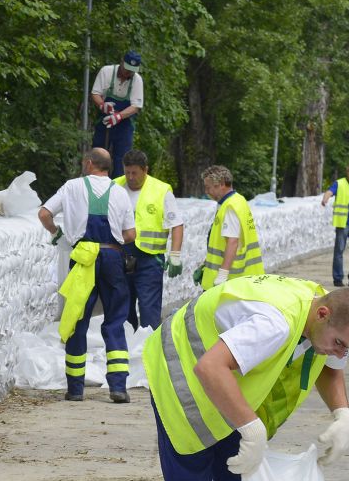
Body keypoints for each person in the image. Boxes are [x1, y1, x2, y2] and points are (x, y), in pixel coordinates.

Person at [144, 275, 349, 481]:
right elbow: (210, 368)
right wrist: (251, 428)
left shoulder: (325, 312)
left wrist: (343, 414)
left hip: (225, 387)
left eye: (347, 348)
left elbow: (331, 365)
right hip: (180, 376)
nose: (339, 352)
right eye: (338, 343)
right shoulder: (274, 324)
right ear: (322, 314)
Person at [38, 148, 137, 403]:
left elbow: (44, 214)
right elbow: (130, 235)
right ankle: (118, 387)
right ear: (109, 168)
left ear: (89, 163)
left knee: (77, 320)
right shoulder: (120, 192)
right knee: (115, 320)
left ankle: (75, 389)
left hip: (83, 258)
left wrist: (58, 236)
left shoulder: (71, 187)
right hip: (112, 258)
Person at [120, 150, 185, 330]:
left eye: (135, 173)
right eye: (127, 172)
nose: (130, 177)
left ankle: (149, 352)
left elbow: (177, 224)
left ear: (145, 170)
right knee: (122, 309)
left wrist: (175, 255)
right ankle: (125, 349)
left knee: (149, 309)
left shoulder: (161, 190)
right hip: (121, 256)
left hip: (149, 259)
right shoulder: (115, 187)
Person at [199, 165, 263, 286]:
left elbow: (232, 241)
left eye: (209, 188)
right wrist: (206, 265)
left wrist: (222, 274)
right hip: (240, 276)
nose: (207, 192)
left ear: (222, 184)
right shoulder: (238, 200)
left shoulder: (230, 207)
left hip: (230, 278)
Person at [90, 50, 144, 171]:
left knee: (122, 159)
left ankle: (118, 187)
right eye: (126, 69)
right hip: (104, 121)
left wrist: (118, 116)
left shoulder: (137, 80)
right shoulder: (106, 72)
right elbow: (95, 93)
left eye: (131, 71)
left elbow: (136, 106)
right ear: (121, 62)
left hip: (124, 125)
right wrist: (102, 105)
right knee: (98, 155)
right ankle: (94, 184)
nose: (128, 73)